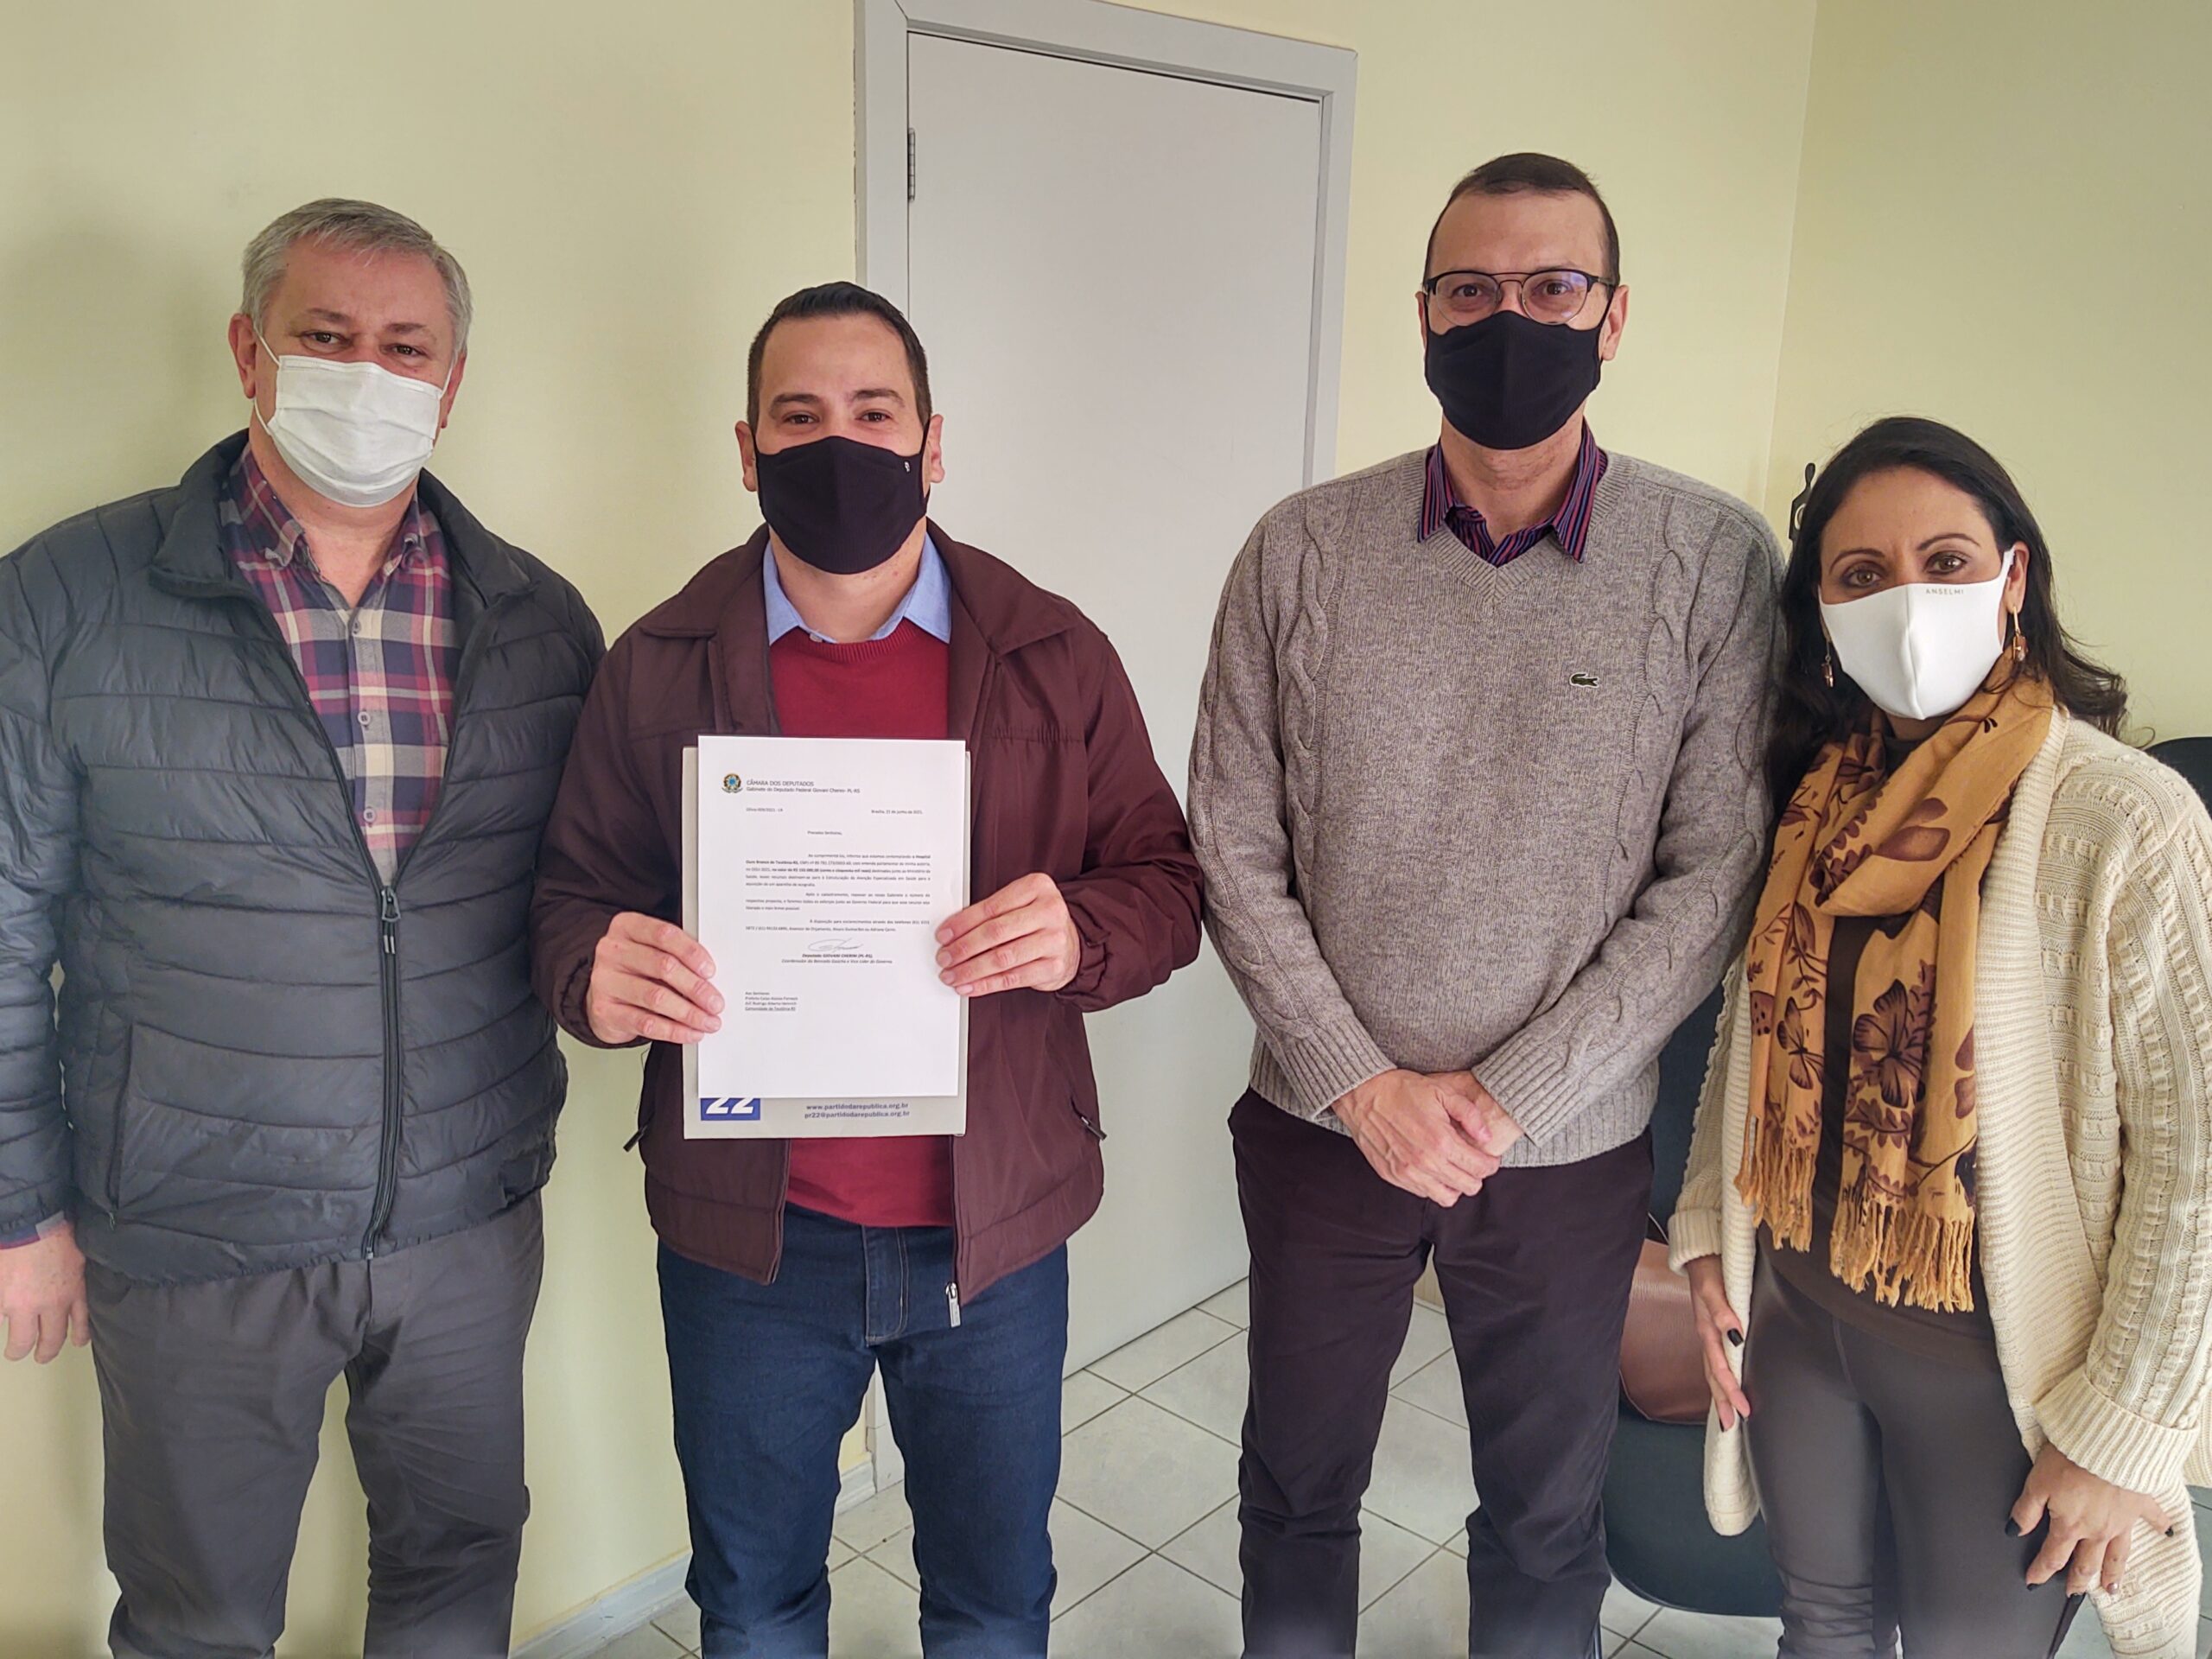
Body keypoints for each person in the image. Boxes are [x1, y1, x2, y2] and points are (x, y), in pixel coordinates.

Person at [529, 281, 1203, 1658]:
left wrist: (1079, 932)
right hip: (752, 1246)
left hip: (990, 1233)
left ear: (932, 441)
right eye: (799, 415)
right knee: (754, 1603)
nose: (838, 442)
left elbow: (1168, 884)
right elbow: (569, 900)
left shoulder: (1053, 651)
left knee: (992, 1603)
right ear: (747, 449)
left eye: (874, 412)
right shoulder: (656, 663)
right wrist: (590, 973)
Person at [1189, 152, 1783, 1658]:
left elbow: (1714, 876)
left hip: (1566, 1150)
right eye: (1471, 289)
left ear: (1614, 315)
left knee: (1543, 1512)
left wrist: (1510, 1097)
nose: (1509, 317)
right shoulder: (1299, 550)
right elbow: (1231, 844)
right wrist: (1362, 1084)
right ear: (1424, 315)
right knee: (1298, 1487)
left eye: (1553, 287)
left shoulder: (1710, 560)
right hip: (1328, 1133)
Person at [0, 199, 602, 1656]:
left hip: (464, 1219)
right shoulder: (65, 598)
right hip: (198, 1227)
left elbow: (578, 896)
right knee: (197, 1619)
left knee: (459, 1577)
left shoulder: (539, 620)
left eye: (406, 347)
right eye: (325, 336)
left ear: (452, 381)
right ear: (248, 351)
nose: (366, 375)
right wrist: (21, 1211)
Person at [1671, 416, 2212, 1657]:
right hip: (1796, 1322)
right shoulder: (1813, 802)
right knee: (1819, 1628)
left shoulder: (2124, 821)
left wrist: (2120, 1431)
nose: (1907, 602)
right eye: (1863, 574)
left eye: (1948, 562)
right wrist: (1707, 1229)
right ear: (1824, 611)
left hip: (1997, 1370)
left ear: (2013, 578)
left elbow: (2196, 1161)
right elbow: (1747, 1042)